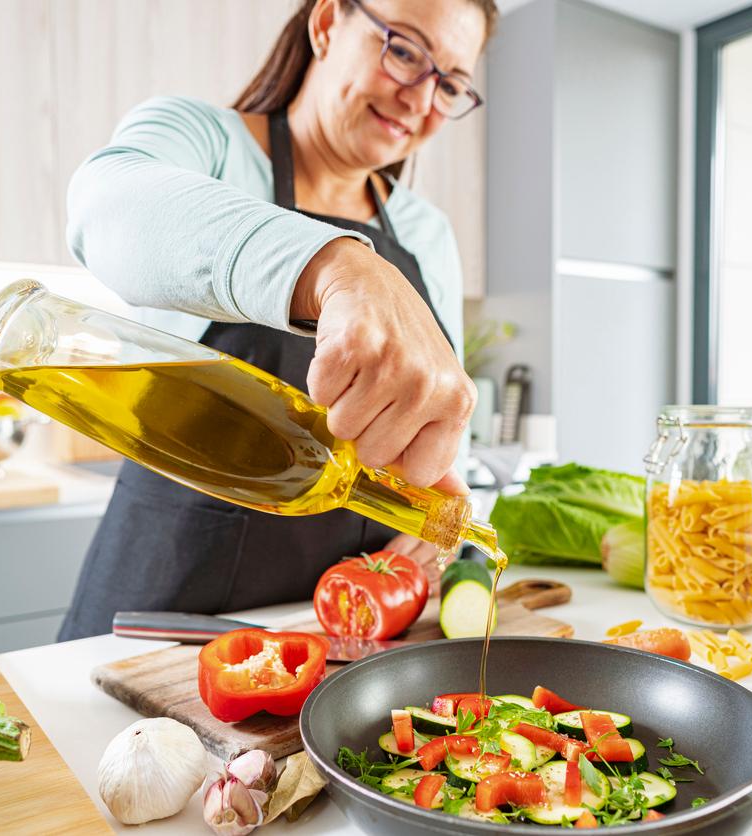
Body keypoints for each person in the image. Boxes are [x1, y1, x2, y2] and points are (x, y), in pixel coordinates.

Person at [58, 0, 497, 640]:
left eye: (450, 82)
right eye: (404, 50)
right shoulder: (204, 140)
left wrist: (427, 527)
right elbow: (105, 208)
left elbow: (437, 421)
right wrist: (334, 268)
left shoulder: (427, 232)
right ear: (325, 24)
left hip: (340, 632)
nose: (421, 98)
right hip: (167, 615)